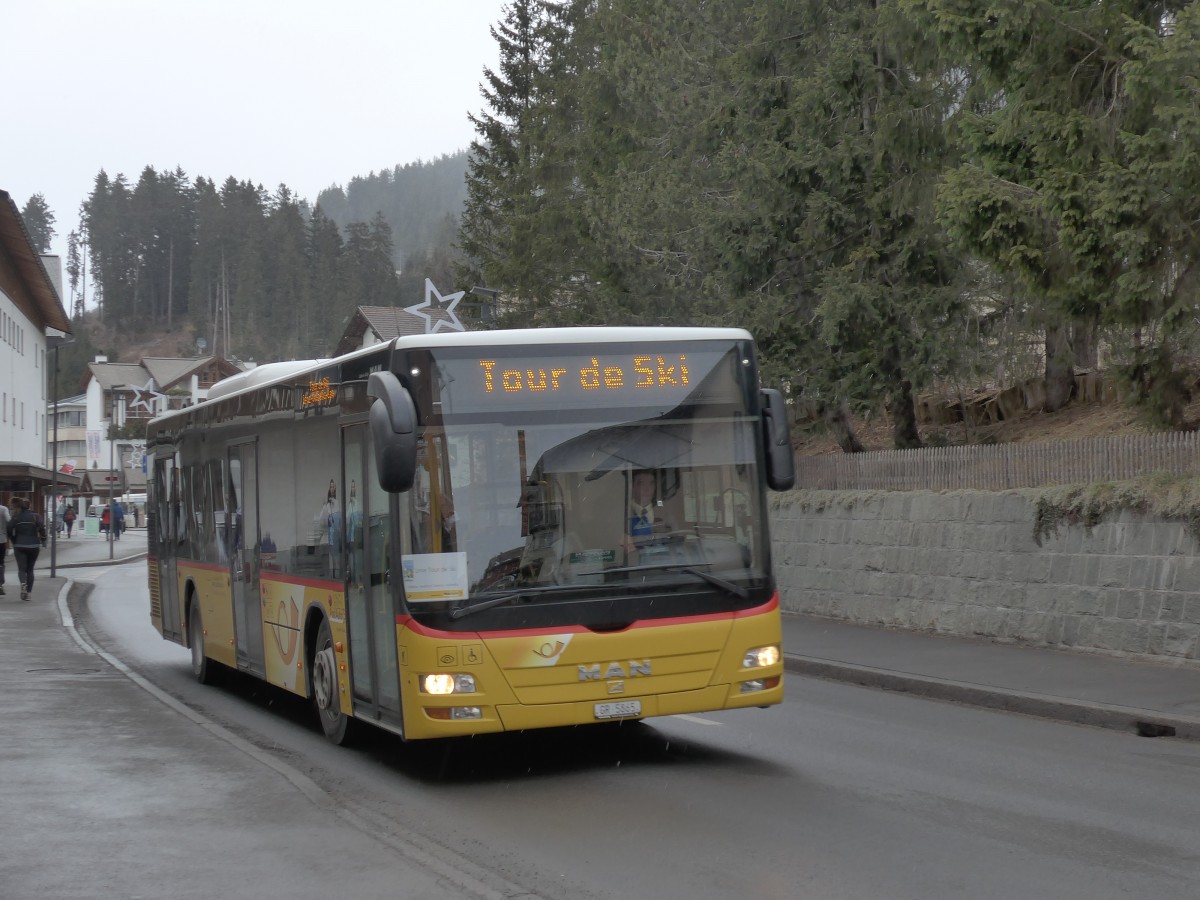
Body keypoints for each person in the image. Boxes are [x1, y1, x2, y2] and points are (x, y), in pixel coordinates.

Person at [623, 469, 670, 558]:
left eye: (651, 484)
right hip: (632, 567)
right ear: (632, 486)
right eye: (641, 484)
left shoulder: (665, 513)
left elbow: (675, 538)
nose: (647, 489)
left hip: (663, 564)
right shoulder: (623, 512)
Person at [7, 498, 47, 601]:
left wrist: (13, 539)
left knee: (22, 568)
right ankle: (29, 593)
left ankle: (23, 583)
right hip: (34, 545)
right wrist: (43, 540)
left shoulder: (16, 517)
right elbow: (42, 528)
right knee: (30, 569)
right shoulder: (36, 516)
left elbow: (9, 528)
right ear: (30, 506)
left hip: (19, 545)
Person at [0, 499, 9, 596]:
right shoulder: (3, 509)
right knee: (1, 562)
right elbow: (8, 521)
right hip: (1, 540)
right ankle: (0, 584)